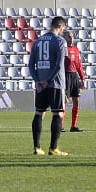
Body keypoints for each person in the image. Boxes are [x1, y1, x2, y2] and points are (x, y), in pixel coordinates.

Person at [28, 17, 69, 156]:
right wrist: (48, 80)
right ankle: (53, 148)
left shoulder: (38, 41)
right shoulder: (60, 42)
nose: (63, 30)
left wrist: (38, 80)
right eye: (63, 28)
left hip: (41, 84)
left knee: (39, 113)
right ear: (59, 26)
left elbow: (30, 64)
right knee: (58, 113)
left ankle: (36, 147)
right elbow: (58, 65)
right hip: (56, 84)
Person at [64, 31, 86, 132]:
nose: (71, 39)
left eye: (72, 37)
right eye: (69, 37)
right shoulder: (63, 49)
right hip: (65, 75)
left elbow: (79, 65)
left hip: (74, 77)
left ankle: (73, 126)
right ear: (64, 38)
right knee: (63, 102)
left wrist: (82, 78)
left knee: (76, 101)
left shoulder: (76, 49)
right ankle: (60, 126)